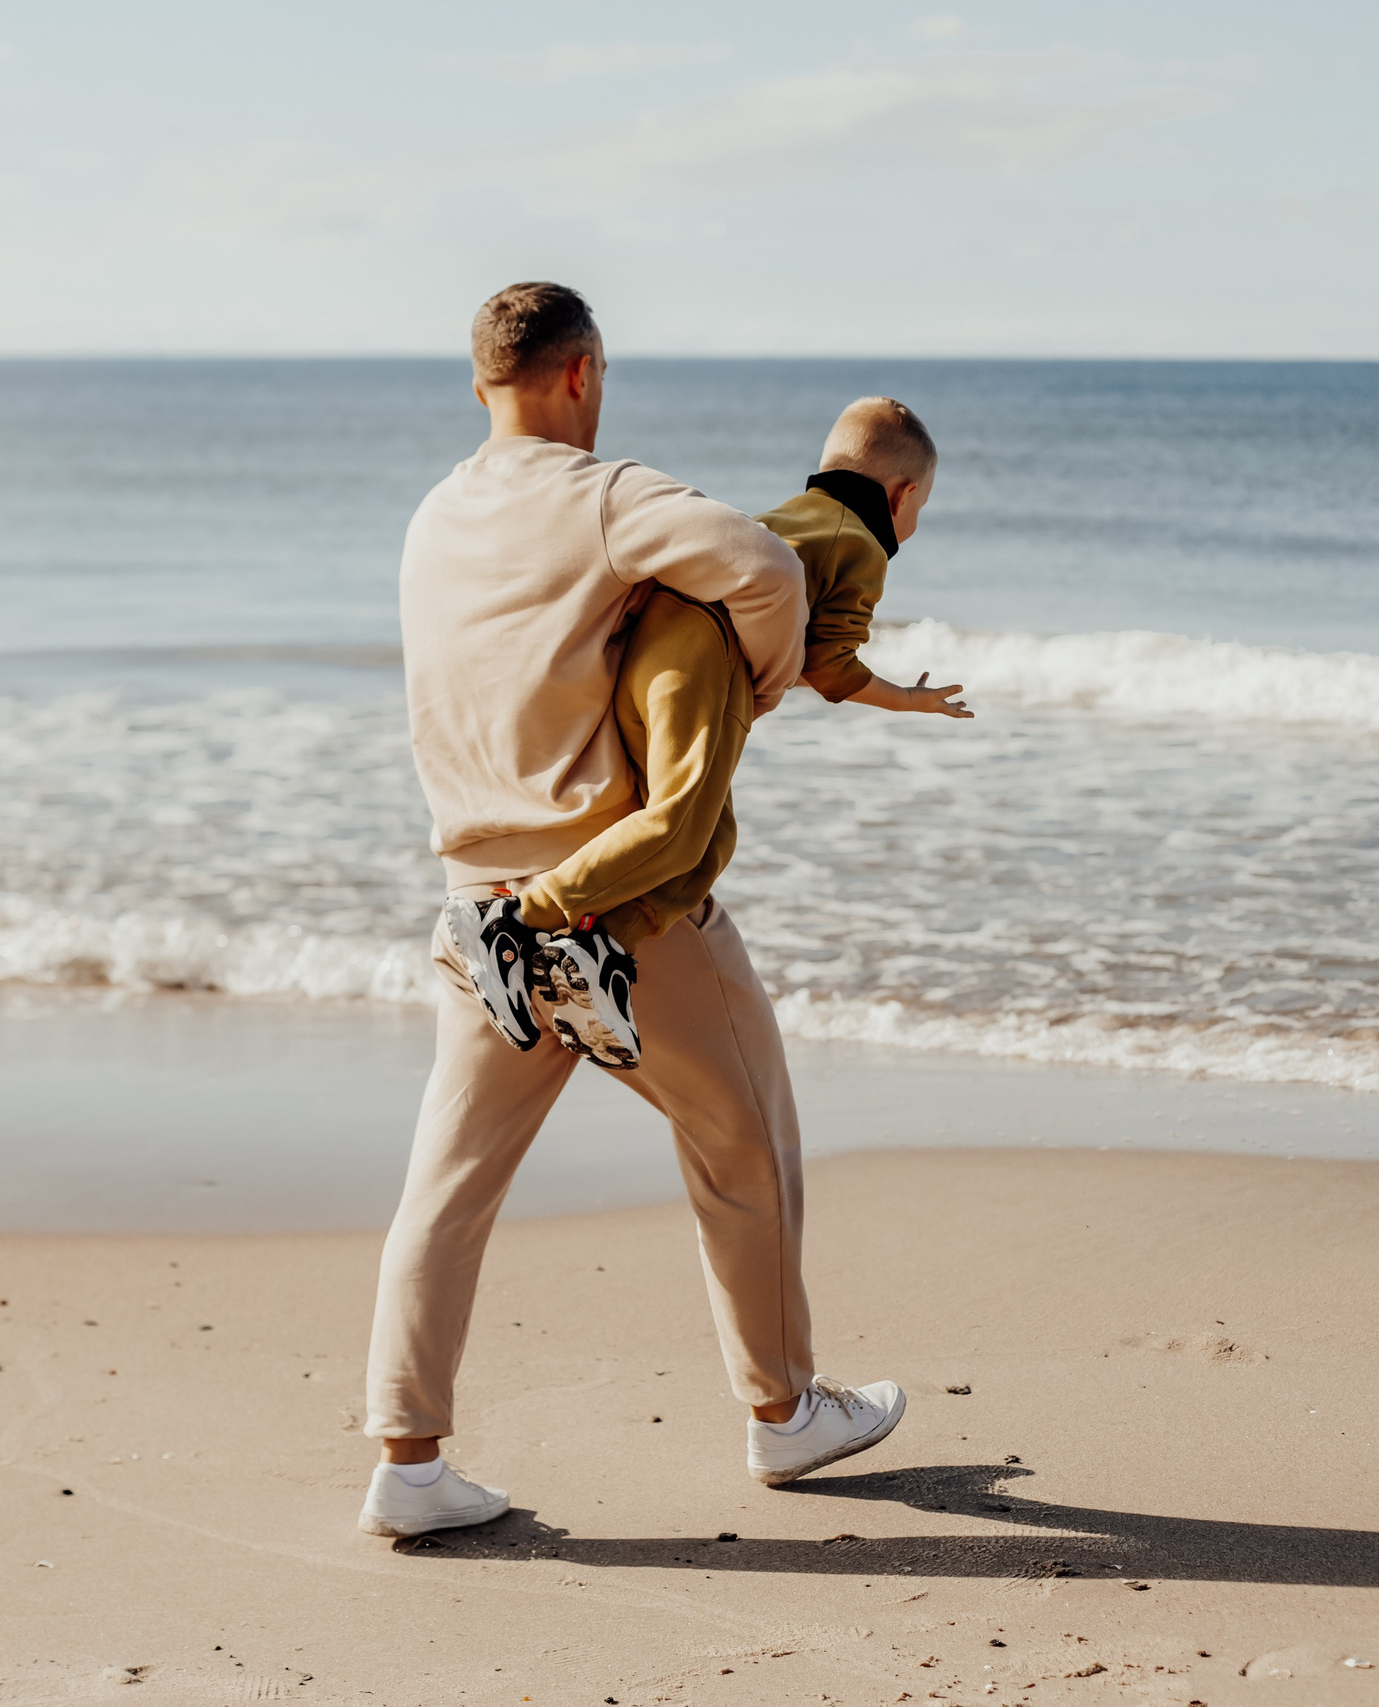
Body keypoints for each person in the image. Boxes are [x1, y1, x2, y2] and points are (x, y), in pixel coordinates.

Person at [357, 283, 908, 1540]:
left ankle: (409, 1461)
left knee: (446, 1188)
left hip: (480, 910)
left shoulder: (435, 515)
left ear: (480, 382)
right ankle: (784, 1415)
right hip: (624, 913)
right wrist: (764, 684)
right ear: (583, 371)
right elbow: (766, 563)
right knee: (744, 1143)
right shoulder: (604, 495)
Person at [464, 397, 967, 1069]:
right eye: (920, 510)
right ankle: (520, 919)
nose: (913, 524)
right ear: (901, 496)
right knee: (677, 825)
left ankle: (595, 944)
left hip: (652, 648)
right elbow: (829, 663)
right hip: (707, 662)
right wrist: (907, 699)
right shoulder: (862, 544)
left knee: (706, 843)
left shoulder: (799, 513)